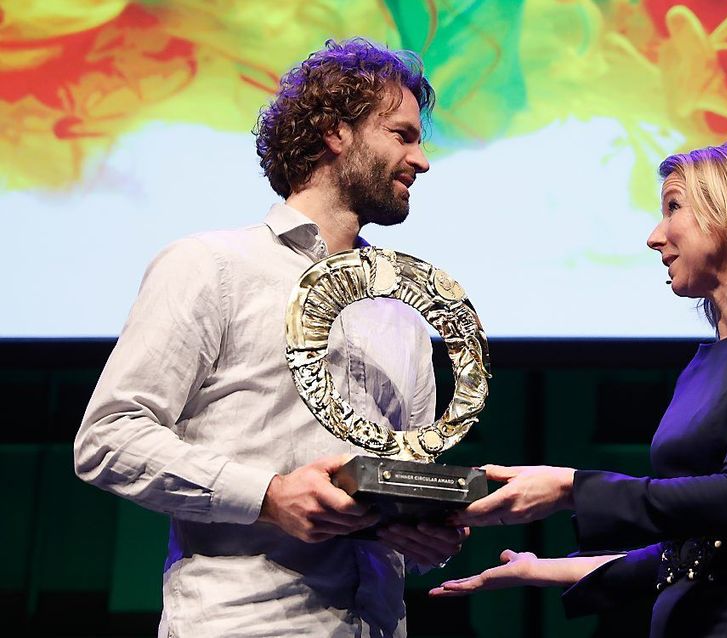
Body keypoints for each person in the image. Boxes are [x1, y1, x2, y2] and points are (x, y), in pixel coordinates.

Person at [75, 38, 468, 638]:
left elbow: (399, 485)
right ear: (337, 133)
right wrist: (268, 495)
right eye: (402, 135)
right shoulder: (212, 265)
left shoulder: (404, 312)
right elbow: (107, 439)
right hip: (244, 621)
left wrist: (424, 530)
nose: (421, 160)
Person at [431, 141, 727, 637]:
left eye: (673, 207)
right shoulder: (706, 362)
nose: (655, 236)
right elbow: (694, 553)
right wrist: (541, 569)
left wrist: (570, 487)